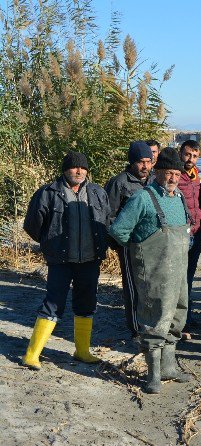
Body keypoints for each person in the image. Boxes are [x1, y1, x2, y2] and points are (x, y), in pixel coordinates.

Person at [109, 148, 192, 393]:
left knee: (178, 315)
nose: (173, 178)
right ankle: (153, 375)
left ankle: (169, 367)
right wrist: (137, 255)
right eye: (168, 173)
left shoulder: (179, 199)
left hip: (178, 274)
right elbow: (118, 231)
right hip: (152, 275)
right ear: (157, 172)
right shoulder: (143, 198)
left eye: (177, 173)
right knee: (154, 320)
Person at [22, 152, 111, 370]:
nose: (79, 171)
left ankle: (82, 351)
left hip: (90, 260)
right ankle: (32, 355)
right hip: (60, 260)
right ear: (65, 170)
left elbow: (108, 221)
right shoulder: (48, 192)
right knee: (53, 304)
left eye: (83, 168)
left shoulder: (98, 193)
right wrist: (49, 245)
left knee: (86, 304)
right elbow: (32, 225)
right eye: (74, 168)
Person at [105, 141, 154, 339]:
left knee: (150, 286)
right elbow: (109, 215)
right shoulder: (119, 183)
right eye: (141, 162)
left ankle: (151, 325)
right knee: (133, 287)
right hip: (129, 245)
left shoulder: (153, 181)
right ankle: (136, 329)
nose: (145, 167)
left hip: (152, 244)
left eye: (148, 161)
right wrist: (120, 243)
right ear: (132, 162)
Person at [177, 140, 201, 340]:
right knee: (179, 279)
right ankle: (180, 322)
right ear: (181, 153)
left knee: (189, 276)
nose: (190, 159)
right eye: (187, 155)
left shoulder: (196, 176)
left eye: (194, 156)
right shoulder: (175, 175)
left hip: (197, 232)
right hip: (181, 233)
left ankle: (186, 314)